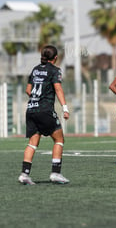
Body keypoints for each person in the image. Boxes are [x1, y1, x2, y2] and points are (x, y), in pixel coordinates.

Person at [18, 45, 70, 185]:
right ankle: (55, 173)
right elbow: (58, 89)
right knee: (59, 139)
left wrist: (37, 97)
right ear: (55, 58)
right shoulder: (55, 70)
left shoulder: (35, 69)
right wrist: (65, 108)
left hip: (31, 109)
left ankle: (24, 174)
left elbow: (28, 90)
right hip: (44, 110)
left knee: (33, 143)